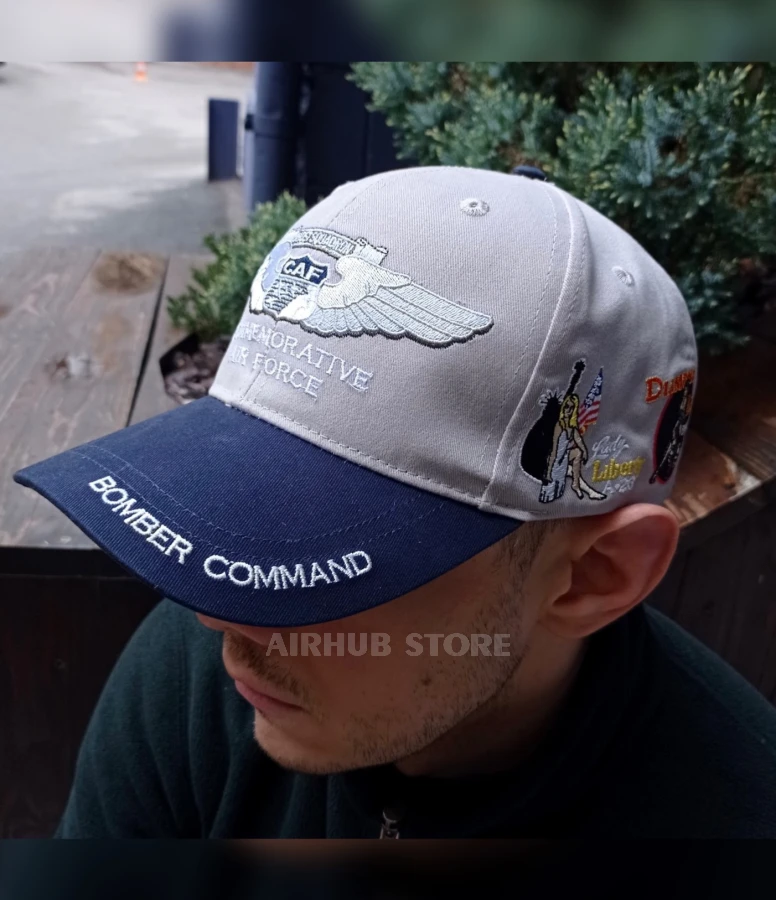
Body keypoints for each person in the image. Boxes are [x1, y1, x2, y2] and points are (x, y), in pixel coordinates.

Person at [15, 166, 776, 838]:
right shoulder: (193, 681)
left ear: (596, 574)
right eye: (243, 505)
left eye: (319, 547)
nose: (214, 614)